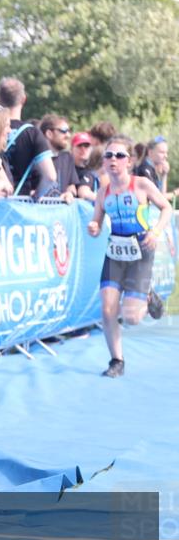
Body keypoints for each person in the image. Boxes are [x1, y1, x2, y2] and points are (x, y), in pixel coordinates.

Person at [86, 135, 173, 378]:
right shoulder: (103, 193)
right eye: (108, 155)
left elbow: (166, 208)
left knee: (132, 317)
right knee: (107, 309)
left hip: (141, 250)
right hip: (115, 252)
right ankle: (117, 360)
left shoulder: (142, 184)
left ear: (129, 161)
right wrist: (93, 227)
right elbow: (96, 222)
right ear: (103, 161)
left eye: (119, 155)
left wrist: (155, 231)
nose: (113, 159)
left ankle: (147, 294)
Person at [0, 77, 57, 196]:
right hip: (21, 203)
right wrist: (38, 194)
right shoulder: (32, 133)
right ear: (23, 99)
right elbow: (50, 176)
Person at [39, 114, 78, 202]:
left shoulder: (67, 157)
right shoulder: (35, 159)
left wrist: (69, 193)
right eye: (63, 131)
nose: (68, 135)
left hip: (60, 213)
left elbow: (71, 186)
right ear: (49, 134)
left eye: (69, 131)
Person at [133, 136, 173, 202]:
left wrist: (163, 175)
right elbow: (160, 199)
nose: (166, 156)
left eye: (166, 153)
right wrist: (175, 193)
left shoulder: (150, 169)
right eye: (162, 152)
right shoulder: (145, 170)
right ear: (150, 153)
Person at [71, 132, 99, 201]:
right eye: (79, 145)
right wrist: (103, 199)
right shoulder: (65, 168)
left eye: (86, 146)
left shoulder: (91, 170)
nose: (83, 149)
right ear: (71, 149)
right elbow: (83, 193)